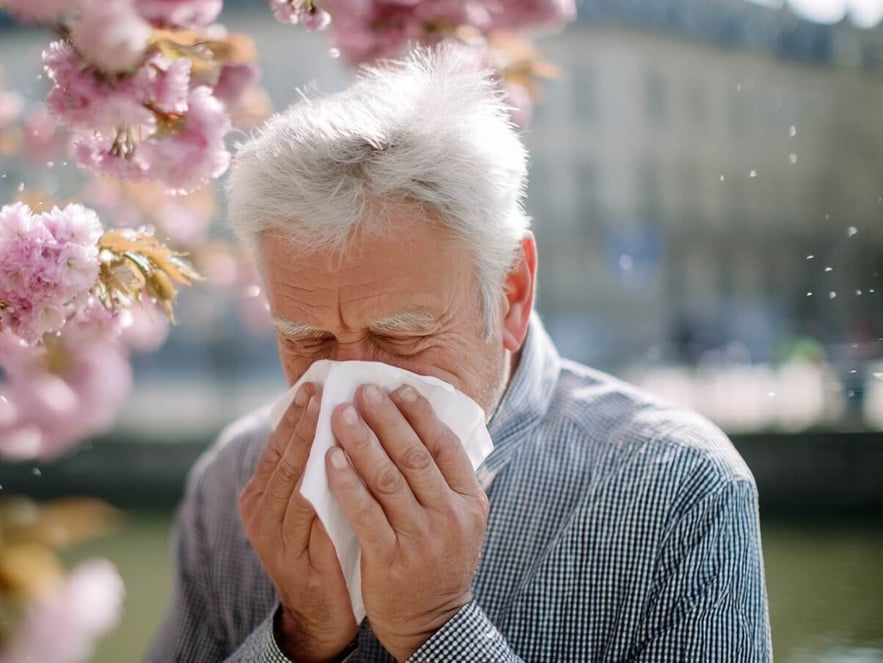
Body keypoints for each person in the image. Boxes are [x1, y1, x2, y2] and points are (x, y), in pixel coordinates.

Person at [149, 46, 771, 662]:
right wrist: (300, 636)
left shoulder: (679, 489)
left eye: (400, 335)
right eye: (307, 338)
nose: (353, 381)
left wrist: (436, 629)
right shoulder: (233, 481)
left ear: (510, 294)